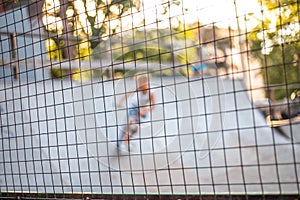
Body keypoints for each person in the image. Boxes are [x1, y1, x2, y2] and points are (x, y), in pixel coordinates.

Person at [117, 73, 156, 151]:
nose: (141, 86)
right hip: (134, 106)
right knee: (130, 121)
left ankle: (128, 138)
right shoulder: (139, 88)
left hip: (142, 109)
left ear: (147, 83)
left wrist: (144, 111)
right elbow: (127, 94)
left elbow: (153, 106)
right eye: (139, 84)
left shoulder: (151, 92)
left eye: (142, 84)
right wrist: (120, 102)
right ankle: (120, 141)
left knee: (136, 127)